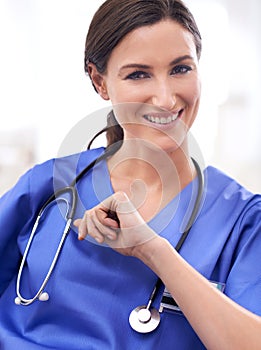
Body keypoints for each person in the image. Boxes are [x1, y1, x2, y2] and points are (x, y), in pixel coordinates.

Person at [0, 0, 261, 349]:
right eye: (138, 74)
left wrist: (154, 251)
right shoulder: (46, 186)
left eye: (180, 69)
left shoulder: (242, 222)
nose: (166, 99)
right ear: (100, 81)